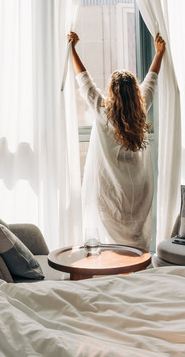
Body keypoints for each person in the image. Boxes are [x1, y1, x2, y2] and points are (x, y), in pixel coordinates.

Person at [68, 31, 165, 251]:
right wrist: (158, 53)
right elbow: (152, 79)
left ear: (112, 91)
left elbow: (84, 81)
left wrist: (72, 48)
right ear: (135, 94)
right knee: (136, 241)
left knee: (112, 245)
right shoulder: (141, 110)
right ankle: (137, 271)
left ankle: (117, 274)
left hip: (111, 189)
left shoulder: (103, 112)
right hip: (138, 187)